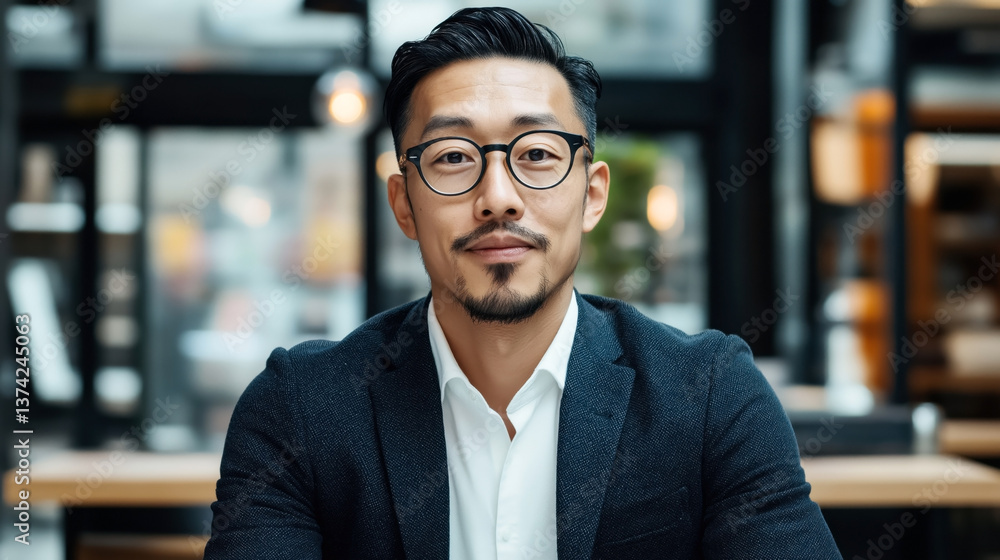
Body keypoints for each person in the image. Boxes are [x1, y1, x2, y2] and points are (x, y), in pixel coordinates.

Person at [204, 6, 840, 559]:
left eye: (536, 153)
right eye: (454, 157)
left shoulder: (707, 396)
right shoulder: (299, 409)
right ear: (403, 205)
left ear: (592, 195)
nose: (498, 198)